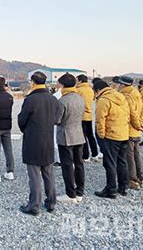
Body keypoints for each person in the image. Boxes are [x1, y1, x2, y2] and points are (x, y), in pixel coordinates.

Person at [18, 71, 60, 215]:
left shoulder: (30, 99)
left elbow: (22, 120)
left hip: (33, 140)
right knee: (48, 173)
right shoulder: (53, 99)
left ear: (33, 82)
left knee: (34, 174)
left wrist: (27, 129)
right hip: (48, 139)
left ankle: (34, 205)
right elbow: (57, 119)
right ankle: (51, 202)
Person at [93, 80, 129, 199]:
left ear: (98, 90)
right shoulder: (121, 97)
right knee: (122, 161)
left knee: (110, 163)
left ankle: (111, 189)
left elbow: (100, 120)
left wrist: (101, 135)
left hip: (111, 135)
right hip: (123, 134)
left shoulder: (103, 100)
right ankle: (123, 187)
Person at [56, 73, 86, 203]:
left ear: (62, 85)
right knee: (79, 164)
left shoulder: (62, 100)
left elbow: (57, 120)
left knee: (67, 166)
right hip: (79, 134)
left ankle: (70, 194)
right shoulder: (80, 98)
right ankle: (80, 192)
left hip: (66, 136)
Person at [117, 75, 143, 190]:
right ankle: (139, 176)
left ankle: (132, 180)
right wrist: (141, 123)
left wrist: (137, 125)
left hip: (129, 129)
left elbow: (132, 113)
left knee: (129, 156)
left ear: (123, 85)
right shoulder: (137, 93)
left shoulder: (126, 96)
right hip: (137, 130)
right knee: (136, 154)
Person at [76, 74, 99, 162]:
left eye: (77, 80)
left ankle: (86, 156)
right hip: (89, 116)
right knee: (90, 135)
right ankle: (95, 154)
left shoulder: (78, 90)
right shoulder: (90, 89)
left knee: (83, 137)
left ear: (80, 81)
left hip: (81, 116)